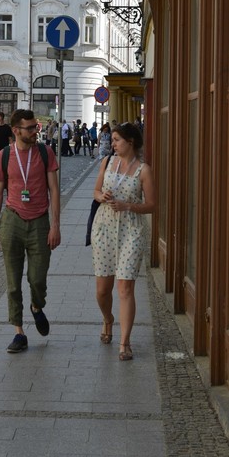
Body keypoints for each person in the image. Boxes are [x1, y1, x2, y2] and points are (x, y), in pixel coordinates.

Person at [0, 109, 61, 353]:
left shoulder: (45, 152)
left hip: (39, 222)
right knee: (13, 281)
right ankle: (18, 332)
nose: (34, 132)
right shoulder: (5, 156)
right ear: (16, 130)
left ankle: (36, 306)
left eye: (35, 127)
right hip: (12, 221)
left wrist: (55, 225)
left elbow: (54, 190)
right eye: (29, 128)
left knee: (37, 278)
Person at [91, 122, 155, 361]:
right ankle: (108, 319)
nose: (113, 144)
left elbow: (152, 205)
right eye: (113, 140)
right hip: (104, 228)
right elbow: (96, 192)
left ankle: (124, 342)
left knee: (125, 288)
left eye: (117, 140)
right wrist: (102, 196)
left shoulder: (144, 170)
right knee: (102, 290)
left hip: (131, 230)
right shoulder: (107, 162)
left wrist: (128, 205)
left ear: (131, 142)